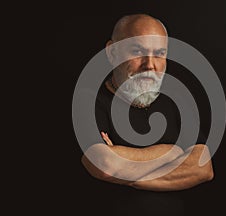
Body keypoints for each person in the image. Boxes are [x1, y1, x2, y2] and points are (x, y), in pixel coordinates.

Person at [81, 14, 214, 192]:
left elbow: (204, 169)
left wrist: (126, 174)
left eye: (159, 54)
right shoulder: (88, 101)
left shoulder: (177, 101)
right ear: (112, 53)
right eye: (137, 52)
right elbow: (104, 165)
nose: (150, 65)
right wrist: (172, 153)